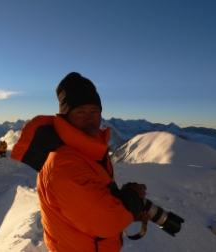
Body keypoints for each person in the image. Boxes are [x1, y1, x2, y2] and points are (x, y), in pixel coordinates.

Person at [12, 72, 147, 252]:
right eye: (80, 112)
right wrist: (132, 200)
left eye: (94, 111)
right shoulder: (63, 163)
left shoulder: (89, 151)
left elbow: (94, 199)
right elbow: (107, 221)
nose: (89, 118)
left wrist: (123, 203)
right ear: (66, 116)